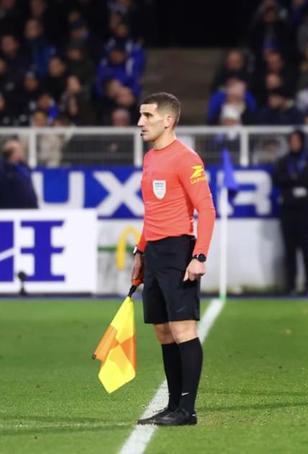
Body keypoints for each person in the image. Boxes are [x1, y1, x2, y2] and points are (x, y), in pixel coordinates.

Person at [130, 92, 216, 426]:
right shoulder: (150, 157)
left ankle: (187, 410)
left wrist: (199, 255)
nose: (141, 122)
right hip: (154, 252)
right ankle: (172, 406)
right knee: (163, 332)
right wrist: (141, 251)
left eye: (147, 116)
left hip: (178, 251)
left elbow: (206, 209)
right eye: (140, 115)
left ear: (168, 120)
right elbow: (152, 211)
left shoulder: (186, 158)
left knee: (183, 329)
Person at [272, 129, 308, 296]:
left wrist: (291, 179)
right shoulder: (284, 160)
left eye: (297, 140)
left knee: (306, 248)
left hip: (305, 211)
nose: (294, 144)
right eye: (292, 141)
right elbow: (278, 179)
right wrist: (295, 179)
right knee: (289, 249)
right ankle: (290, 285)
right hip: (288, 211)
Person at [0, 139, 38, 209]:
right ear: (12, 153)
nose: (22, 153)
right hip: (10, 210)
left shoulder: (23, 167)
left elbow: (29, 189)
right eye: (19, 150)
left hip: (29, 209)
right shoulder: (4, 169)